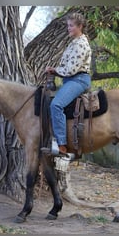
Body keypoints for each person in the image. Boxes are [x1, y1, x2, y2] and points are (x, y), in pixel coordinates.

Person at [45, 12, 91, 155]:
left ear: (80, 26)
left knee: (56, 105)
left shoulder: (81, 44)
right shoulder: (74, 42)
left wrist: (55, 70)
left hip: (78, 80)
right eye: (68, 25)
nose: (68, 28)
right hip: (70, 79)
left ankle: (61, 144)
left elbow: (71, 69)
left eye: (71, 26)